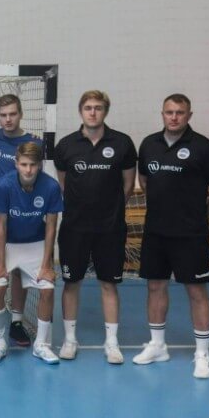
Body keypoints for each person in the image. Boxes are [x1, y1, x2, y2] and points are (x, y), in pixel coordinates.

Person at [134, 94, 209, 379]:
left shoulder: (205, 148)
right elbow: (144, 181)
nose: (174, 117)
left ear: (189, 115)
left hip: (190, 234)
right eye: (169, 112)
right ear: (162, 113)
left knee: (196, 292)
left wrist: (200, 217)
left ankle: (202, 354)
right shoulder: (149, 144)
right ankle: (158, 346)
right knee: (155, 286)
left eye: (180, 112)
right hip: (156, 231)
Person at [53, 91, 136, 363]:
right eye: (88, 107)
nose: (92, 112)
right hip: (74, 227)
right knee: (71, 283)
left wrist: (110, 210)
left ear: (105, 111)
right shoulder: (66, 146)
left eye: (98, 108)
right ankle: (70, 340)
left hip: (110, 228)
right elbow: (64, 185)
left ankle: (112, 343)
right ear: (81, 111)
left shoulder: (122, 143)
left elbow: (127, 185)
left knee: (109, 284)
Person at [0, 142, 63, 364]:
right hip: (6, 243)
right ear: (16, 163)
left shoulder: (51, 187)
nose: (28, 170)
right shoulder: (4, 185)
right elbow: (1, 225)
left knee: (47, 288)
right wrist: (0, 263)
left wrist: (47, 264)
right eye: (24, 164)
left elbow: (51, 227)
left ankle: (41, 344)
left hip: (35, 242)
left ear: (40, 165)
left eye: (33, 165)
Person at [0, 94, 43, 347]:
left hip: (22, 217)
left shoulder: (33, 143)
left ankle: (16, 322)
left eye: (12, 114)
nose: (8, 119)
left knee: (17, 270)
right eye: (3, 115)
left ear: (21, 114)